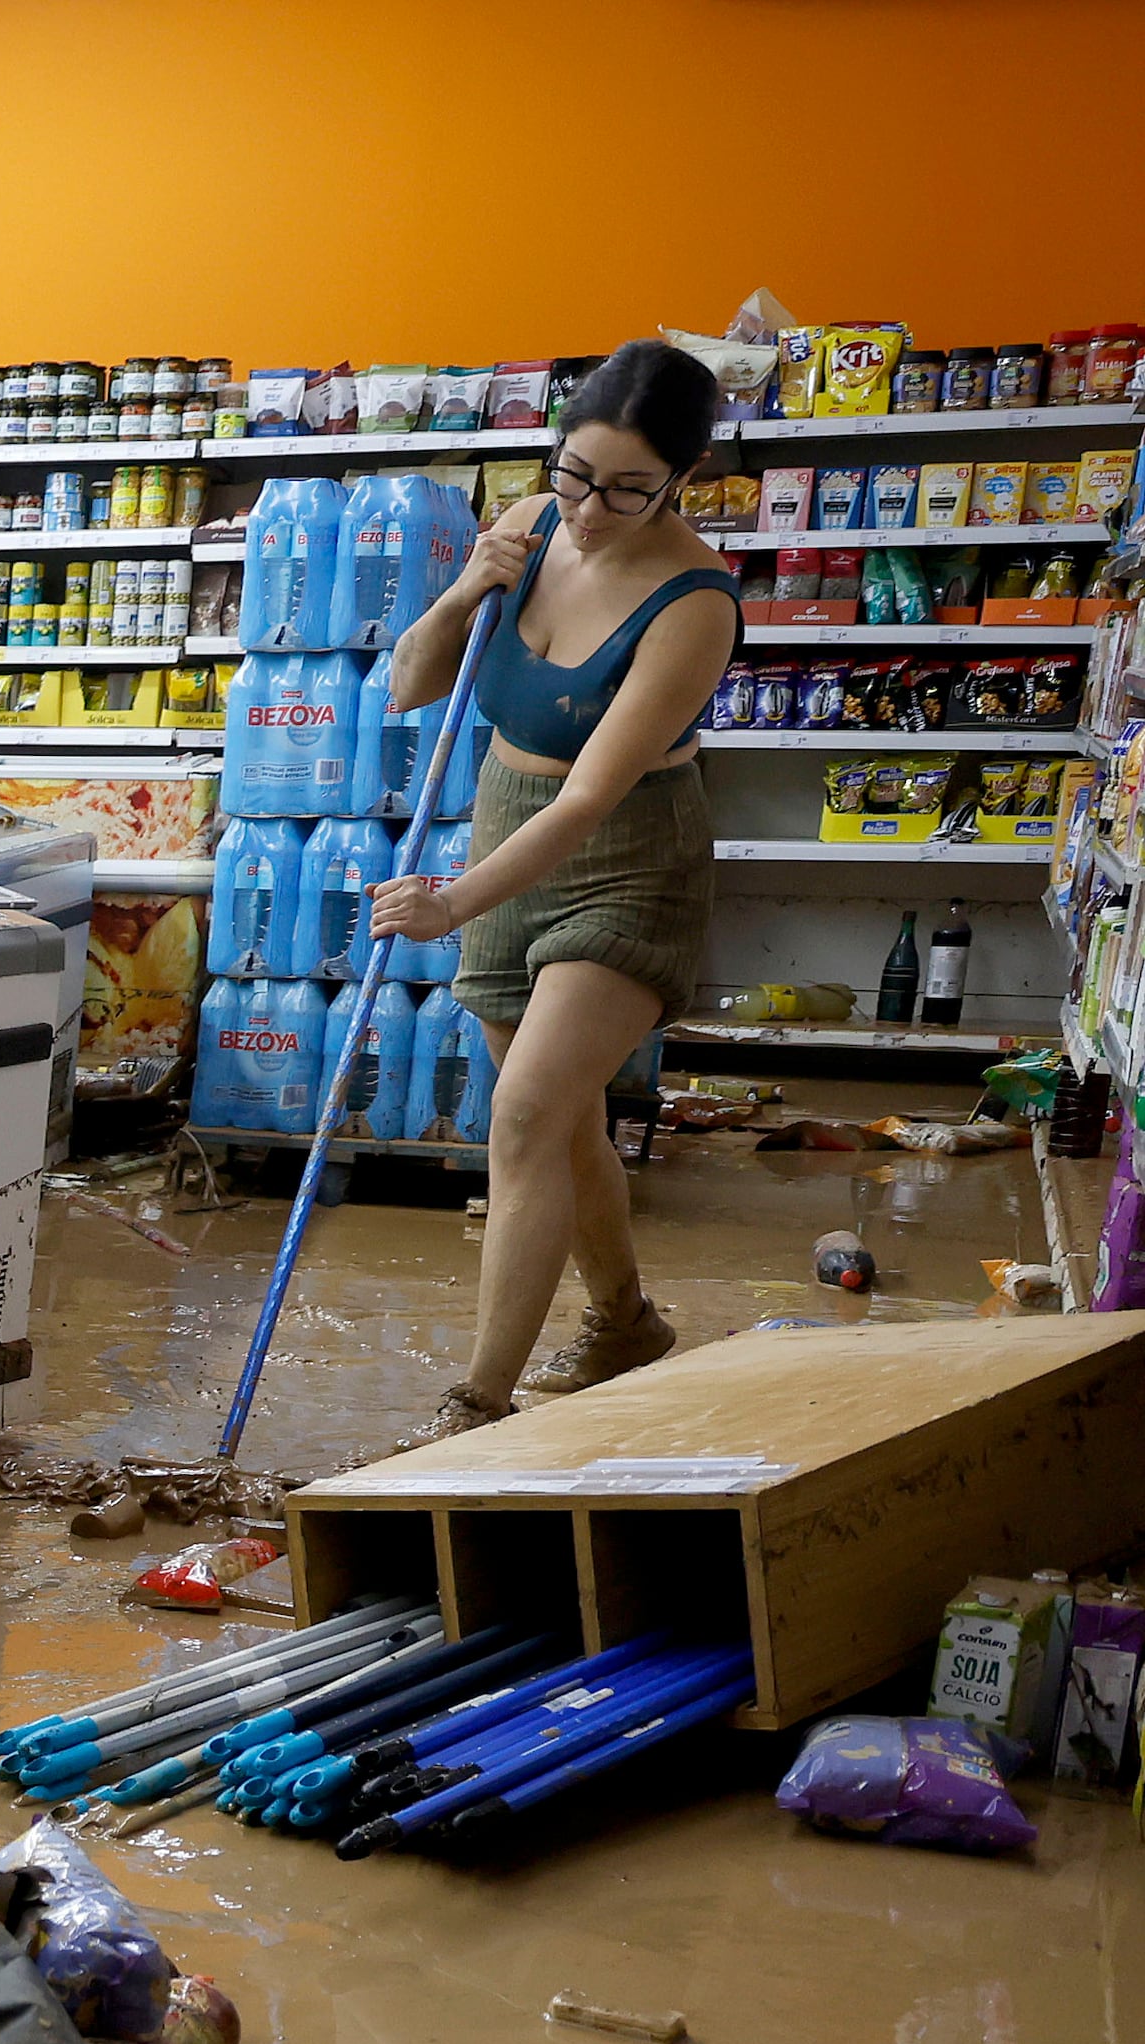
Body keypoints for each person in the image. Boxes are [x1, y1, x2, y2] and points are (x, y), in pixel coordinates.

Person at [364, 337, 739, 1446]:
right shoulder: (527, 525)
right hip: (498, 820)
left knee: (523, 1113)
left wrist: (452, 901)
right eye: (576, 474)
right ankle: (622, 1323)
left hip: (627, 858)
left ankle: (473, 1402)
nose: (590, 509)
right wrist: (465, 588)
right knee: (561, 1125)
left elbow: (584, 800)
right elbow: (407, 683)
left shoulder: (693, 601)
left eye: (630, 488)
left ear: (680, 480)